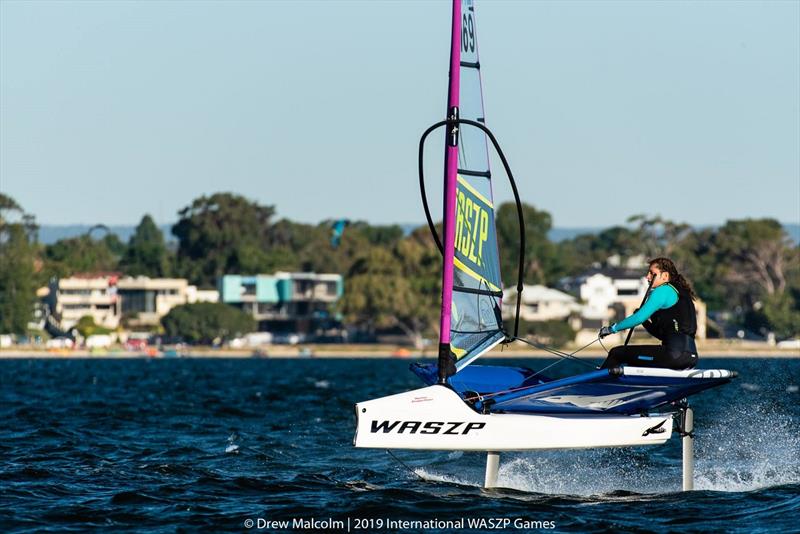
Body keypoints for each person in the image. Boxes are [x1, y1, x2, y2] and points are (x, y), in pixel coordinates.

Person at [599, 257, 699, 370]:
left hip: (673, 356)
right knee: (632, 358)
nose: (648, 277)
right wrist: (646, 322)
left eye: (652, 273)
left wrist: (611, 329)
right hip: (691, 357)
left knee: (617, 353)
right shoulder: (682, 293)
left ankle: (595, 385)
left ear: (665, 276)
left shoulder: (663, 290)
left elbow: (638, 318)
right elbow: (661, 334)